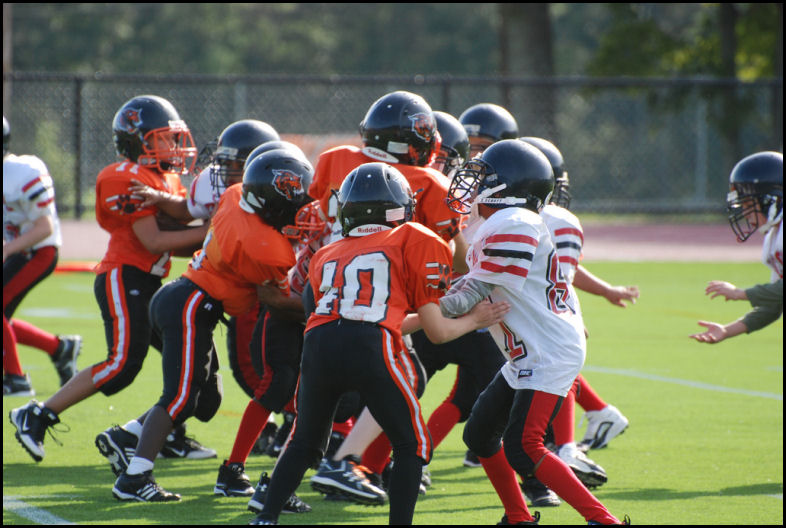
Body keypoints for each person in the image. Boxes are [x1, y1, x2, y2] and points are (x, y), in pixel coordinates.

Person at [248, 162, 509, 525]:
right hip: (370, 344)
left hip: (318, 342)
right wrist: (475, 320)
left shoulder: (328, 253)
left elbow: (363, 315)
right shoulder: (416, 238)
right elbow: (437, 334)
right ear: (398, 207)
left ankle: (265, 519)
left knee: (305, 443)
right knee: (412, 446)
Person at [9, 95, 211, 464]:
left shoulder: (165, 179)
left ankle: (167, 433)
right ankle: (37, 414)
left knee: (190, 364)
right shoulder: (123, 177)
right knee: (121, 364)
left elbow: (178, 241)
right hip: (124, 276)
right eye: (163, 138)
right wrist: (211, 233)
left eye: (173, 138)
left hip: (150, 281)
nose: (173, 146)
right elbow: (154, 240)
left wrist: (209, 231)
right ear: (138, 140)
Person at [109, 148, 312, 502]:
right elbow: (275, 301)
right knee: (180, 396)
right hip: (191, 304)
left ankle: (129, 436)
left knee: (206, 401)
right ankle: (134, 477)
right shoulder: (266, 247)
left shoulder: (236, 196)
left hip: (188, 301)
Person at [442, 139, 627, 525]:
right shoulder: (500, 221)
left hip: (548, 351)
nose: (473, 184)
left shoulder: (516, 223)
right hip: (529, 349)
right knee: (479, 436)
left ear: (508, 187)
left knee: (524, 449)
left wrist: (413, 301)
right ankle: (518, 517)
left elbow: (466, 297)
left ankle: (604, 521)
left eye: (483, 177)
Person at [518, 136, 637, 506]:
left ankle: (566, 446)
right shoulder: (531, 218)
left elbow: (561, 275)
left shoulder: (550, 219)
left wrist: (585, 303)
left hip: (534, 315)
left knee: (544, 368)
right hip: (528, 313)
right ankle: (594, 419)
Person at [3, 115, 82, 396]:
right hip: (19, 250)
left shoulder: (20, 173)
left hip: (39, 251)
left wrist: (7, 249)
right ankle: (60, 348)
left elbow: (44, 227)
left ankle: (16, 380)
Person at [690, 151, 782, 344]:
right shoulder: (774, 237)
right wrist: (726, 330)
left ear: (772, 200)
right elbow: (775, 301)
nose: (744, 212)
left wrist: (740, 293)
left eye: (749, 203)